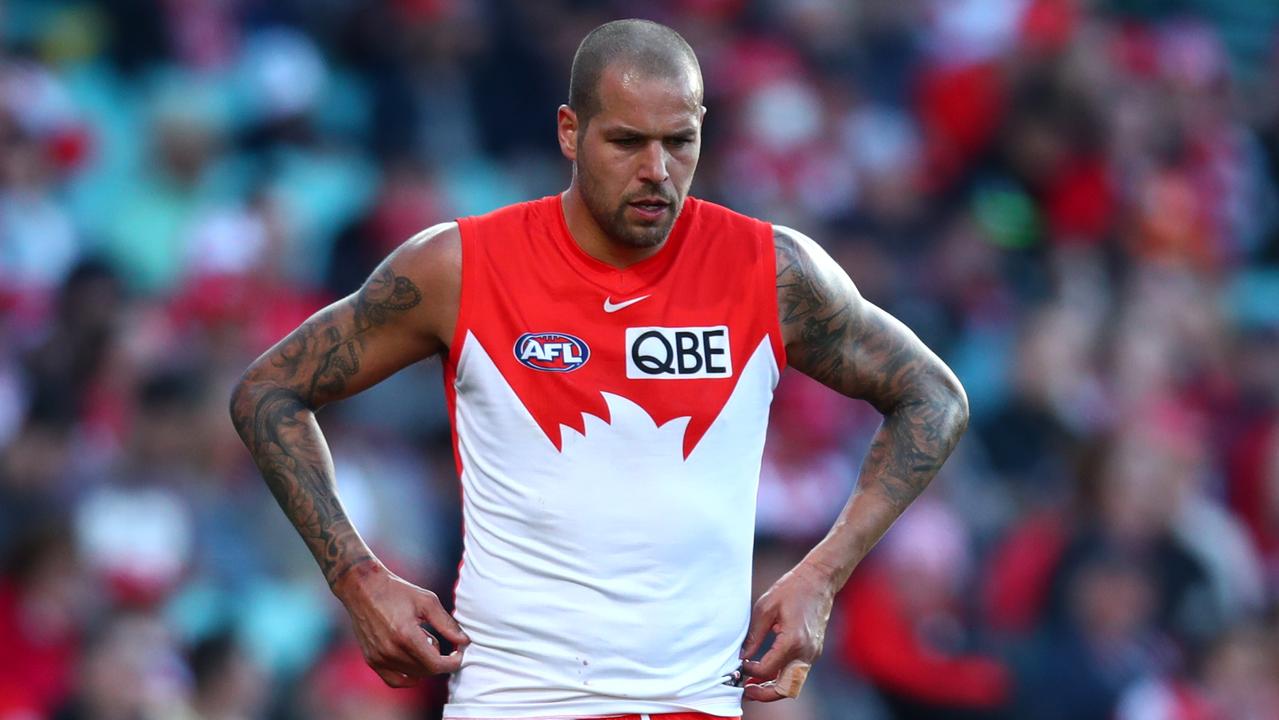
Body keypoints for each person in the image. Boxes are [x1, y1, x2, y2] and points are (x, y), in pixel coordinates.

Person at [229, 18, 968, 720]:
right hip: (519, 698)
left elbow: (933, 397)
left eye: (679, 142)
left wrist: (822, 575)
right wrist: (356, 576)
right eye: (626, 142)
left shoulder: (770, 273)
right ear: (568, 131)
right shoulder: (461, 267)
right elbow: (269, 391)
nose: (656, 171)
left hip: (695, 700)